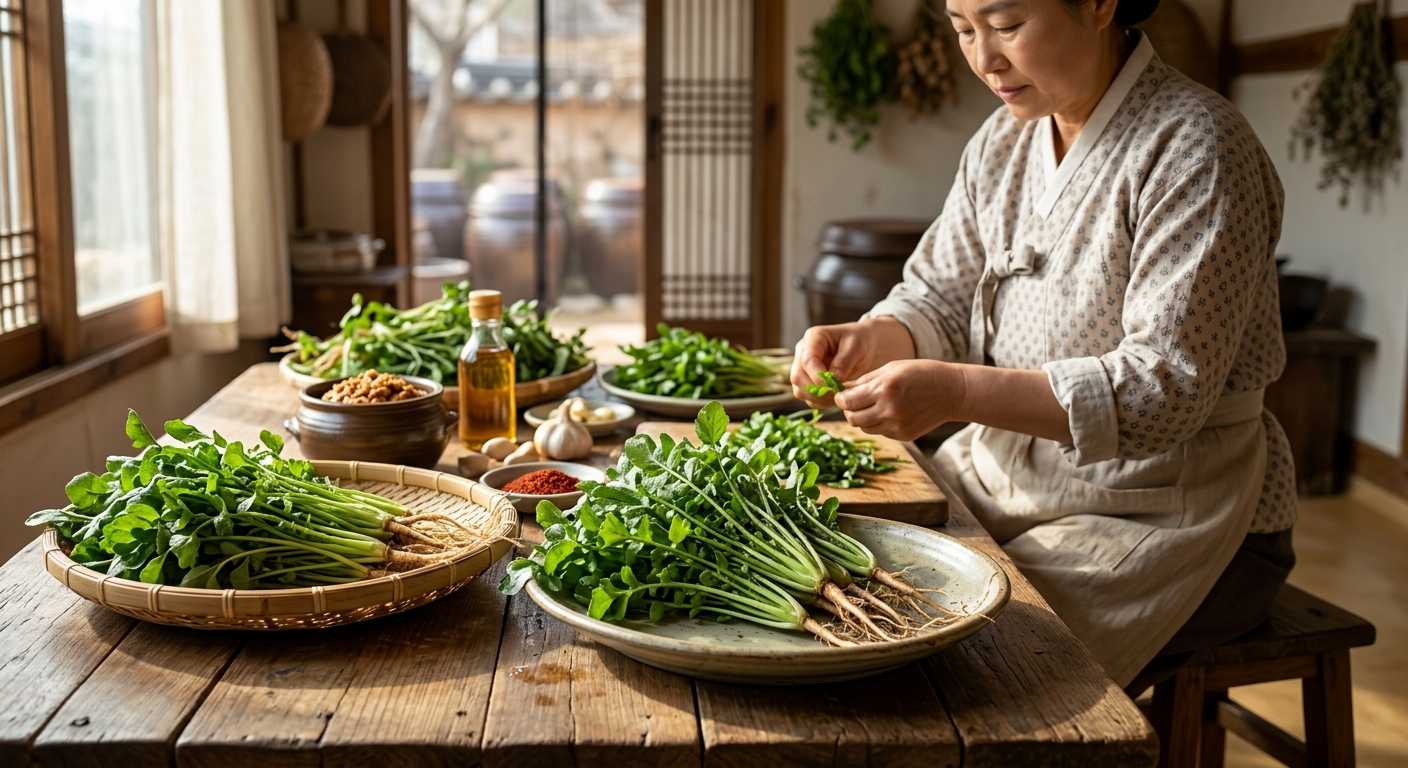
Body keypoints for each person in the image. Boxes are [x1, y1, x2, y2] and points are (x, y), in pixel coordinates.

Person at [791, 0, 1296, 689]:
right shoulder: (1001, 144)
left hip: (1170, 511)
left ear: (1097, 4)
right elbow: (938, 292)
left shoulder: (1197, 145)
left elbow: (1162, 392)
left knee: (948, 666)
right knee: (838, 593)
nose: (984, 59)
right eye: (963, 30)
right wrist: (871, 337)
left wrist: (957, 391)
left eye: (1006, 26)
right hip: (1008, 477)